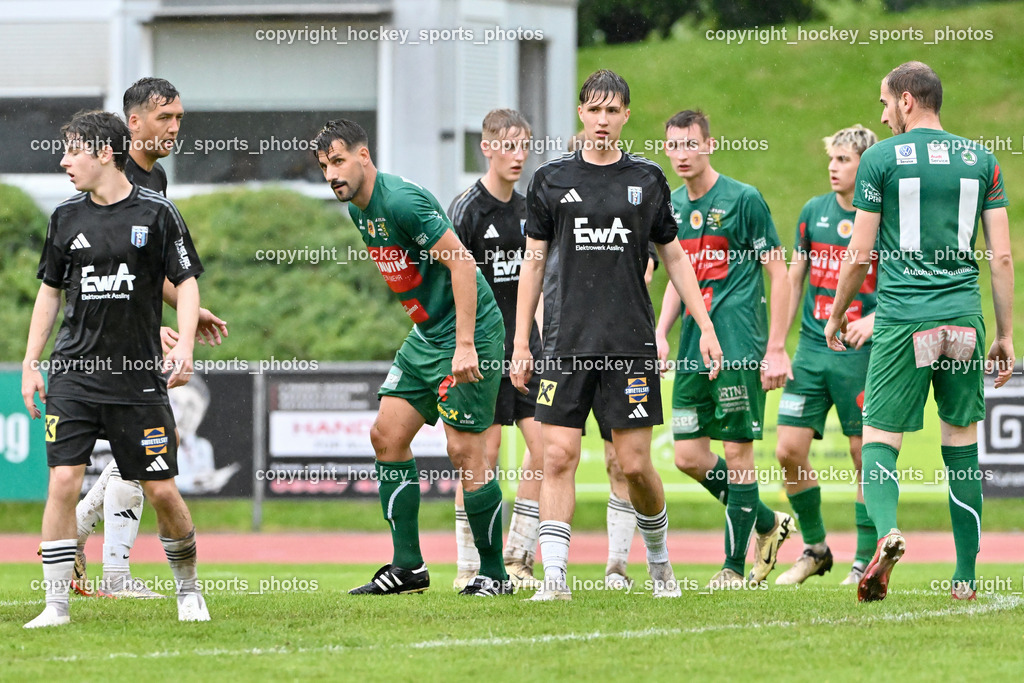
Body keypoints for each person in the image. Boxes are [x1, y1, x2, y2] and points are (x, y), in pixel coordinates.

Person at [512, 70, 723, 601]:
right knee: (556, 456)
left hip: (629, 343)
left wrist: (704, 324)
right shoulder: (549, 181)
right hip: (564, 344)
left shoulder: (648, 180)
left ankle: (659, 563)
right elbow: (533, 264)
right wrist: (521, 342)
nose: (602, 121)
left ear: (626, 115)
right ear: (581, 112)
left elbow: (674, 255)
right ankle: (555, 578)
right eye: (594, 110)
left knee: (632, 465)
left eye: (613, 111)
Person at [825, 61, 1014, 602]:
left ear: (907, 101)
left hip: (906, 320)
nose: (882, 116)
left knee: (881, 438)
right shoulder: (982, 159)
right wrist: (1004, 335)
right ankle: (966, 579)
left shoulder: (881, 159)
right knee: (960, 445)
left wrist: (837, 315)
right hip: (964, 322)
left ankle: (887, 535)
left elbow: (860, 254)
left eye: (885, 103)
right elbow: (1000, 257)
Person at [22, 110, 209, 627]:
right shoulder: (64, 217)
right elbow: (49, 292)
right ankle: (55, 606)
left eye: (73, 151)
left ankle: (189, 592)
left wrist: (187, 342)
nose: (63, 161)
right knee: (63, 482)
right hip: (74, 373)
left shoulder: (158, 213)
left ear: (104, 152)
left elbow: (186, 281)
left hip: (137, 378)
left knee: (162, 490)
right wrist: (31, 363)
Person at [313, 119, 513, 596]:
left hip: (471, 333)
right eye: (323, 166)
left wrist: (465, 344)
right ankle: (409, 568)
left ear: (365, 157)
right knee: (386, 435)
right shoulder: (358, 209)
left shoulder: (400, 200)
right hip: (426, 336)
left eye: (338, 162)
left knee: (465, 450)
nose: (331, 174)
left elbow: (462, 263)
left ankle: (495, 575)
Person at [72, 77, 228, 599]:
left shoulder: (154, 180)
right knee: (150, 450)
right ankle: (110, 567)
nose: (176, 128)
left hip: (137, 337)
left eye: (180, 118)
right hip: (99, 348)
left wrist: (187, 307)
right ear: (133, 123)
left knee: (152, 447)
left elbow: (147, 266)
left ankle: (86, 534)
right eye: (166, 118)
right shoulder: (107, 179)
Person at [655, 109, 793, 589]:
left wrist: (776, 347)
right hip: (694, 344)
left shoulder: (743, 199)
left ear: (709, 145)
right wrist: (661, 332)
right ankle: (766, 521)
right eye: (673, 145)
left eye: (690, 144)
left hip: (737, 344)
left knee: (737, 452)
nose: (681, 154)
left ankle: (733, 567)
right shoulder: (668, 206)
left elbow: (780, 271)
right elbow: (679, 274)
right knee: (688, 455)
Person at [774, 125, 880, 586]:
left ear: (865, 165)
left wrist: (874, 321)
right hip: (814, 348)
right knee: (787, 450)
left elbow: (904, 277)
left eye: (843, 160)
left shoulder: (883, 216)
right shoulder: (812, 213)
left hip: (861, 351)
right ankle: (815, 549)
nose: (833, 167)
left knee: (864, 455)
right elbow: (793, 280)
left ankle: (862, 560)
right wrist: (778, 344)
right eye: (831, 159)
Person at [447, 108, 544, 589]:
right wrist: (460, 346)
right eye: (508, 145)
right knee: (481, 456)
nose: (517, 155)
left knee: (548, 449)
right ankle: (470, 564)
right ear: (486, 147)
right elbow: (449, 284)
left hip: (529, 350)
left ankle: (519, 555)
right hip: (484, 351)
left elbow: (543, 282)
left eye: (524, 145)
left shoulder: (533, 210)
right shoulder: (466, 209)